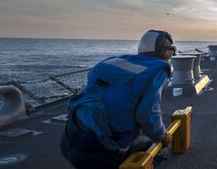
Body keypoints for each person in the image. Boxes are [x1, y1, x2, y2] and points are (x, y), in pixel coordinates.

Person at [60, 30, 177, 169]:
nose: (170, 58)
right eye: (170, 53)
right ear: (164, 53)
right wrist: (162, 136)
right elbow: (147, 114)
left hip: (69, 141)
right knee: (159, 151)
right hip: (98, 150)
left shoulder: (113, 61)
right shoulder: (158, 70)